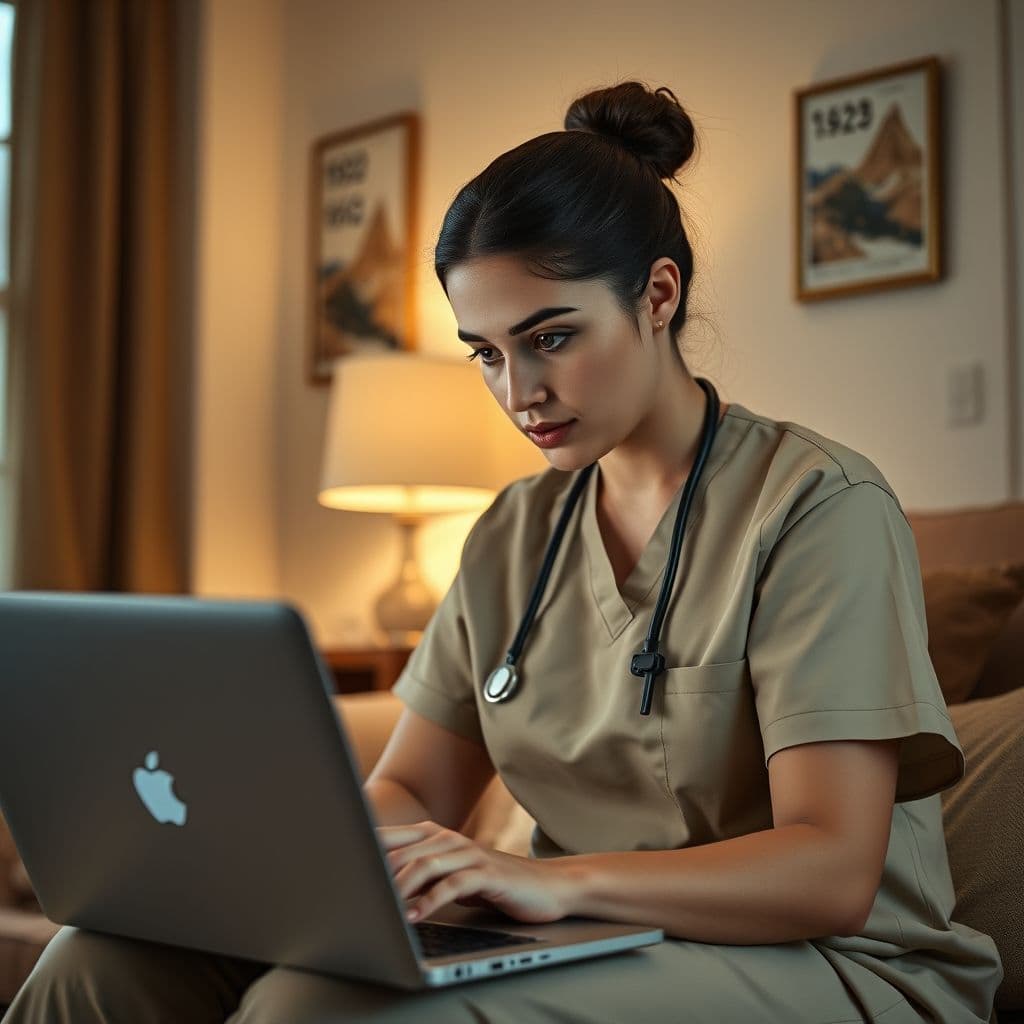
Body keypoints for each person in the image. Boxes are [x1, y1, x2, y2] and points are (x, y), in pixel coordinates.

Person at [3, 80, 1003, 1024]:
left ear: (657, 296)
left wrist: (541, 877)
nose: (518, 389)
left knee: (321, 1007)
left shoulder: (817, 506)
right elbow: (409, 788)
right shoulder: (513, 531)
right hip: (593, 931)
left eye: (550, 337)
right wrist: (312, 867)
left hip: (832, 964)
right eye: (485, 351)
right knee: (98, 958)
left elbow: (829, 869)